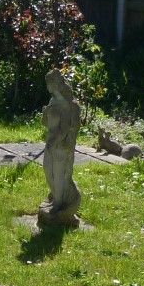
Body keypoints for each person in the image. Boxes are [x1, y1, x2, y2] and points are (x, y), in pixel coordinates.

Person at [39, 68, 82, 227]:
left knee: (58, 175)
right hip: (50, 143)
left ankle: (59, 204)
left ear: (55, 84)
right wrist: (44, 114)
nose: (47, 86)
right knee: (47, 170)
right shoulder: (52, 102)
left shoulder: (68, 105)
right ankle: (56, 199)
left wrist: (60, 140)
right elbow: (46, 124)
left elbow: (68, 127)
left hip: (60, 147)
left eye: (48, 83)